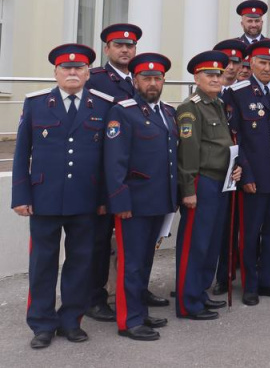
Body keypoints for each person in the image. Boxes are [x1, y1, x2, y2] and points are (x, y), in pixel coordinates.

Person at [12, 44, 114, 349]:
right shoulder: (36, 103)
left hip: (86, 198)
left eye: (79, 68)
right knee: (42, 263)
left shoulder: (103, 105)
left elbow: (108, 157)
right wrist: (20, 195)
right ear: (55, 72)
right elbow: (21, 154)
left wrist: (104, 198)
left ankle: (71, 320)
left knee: (80, 263)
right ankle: (41, 324)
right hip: (44, 198)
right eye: (66, 68)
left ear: (87, 74)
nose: (72, 72)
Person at [103, 52, 177, 340]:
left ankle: (141, 313)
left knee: (145, 262)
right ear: (135, 80)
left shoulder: (168, 112)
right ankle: (129, 320)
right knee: (130, 264)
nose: (152, 83)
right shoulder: (122, 111)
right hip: (133, 204)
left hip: (159, 201)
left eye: (157, 78)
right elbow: (114, 162)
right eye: (146, 78)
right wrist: (119, 202)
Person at [224, 40, 270, 306]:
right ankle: (250, 285)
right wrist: (247, 176)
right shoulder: (237, 93)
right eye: (262, 62)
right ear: (250, 63)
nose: (267, 68)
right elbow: (235, 138)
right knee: (251, 234)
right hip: (253, 178)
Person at [174, 51, 242, 321]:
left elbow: (222, 143)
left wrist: (234, 166)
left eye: (218, 74)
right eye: (209, 75)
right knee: (196, 243)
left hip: (220, 181)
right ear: (196, 77)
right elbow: (188, 152)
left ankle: (200, 292)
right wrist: (188, 189)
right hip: (201, 182)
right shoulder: (190, 107)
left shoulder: (217, 104)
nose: (216, 79)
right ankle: (187, 302)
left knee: (211, 243)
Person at [85, 23, 141, 324]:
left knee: (137, 238)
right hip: (103, 173)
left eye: (130, 46)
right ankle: (94, 297)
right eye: (118, 45)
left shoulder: (141, 79)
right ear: (107, 49)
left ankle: (133, 291)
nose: (125, 50)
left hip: (137, 173)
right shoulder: (96, 80)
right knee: (99, 238)